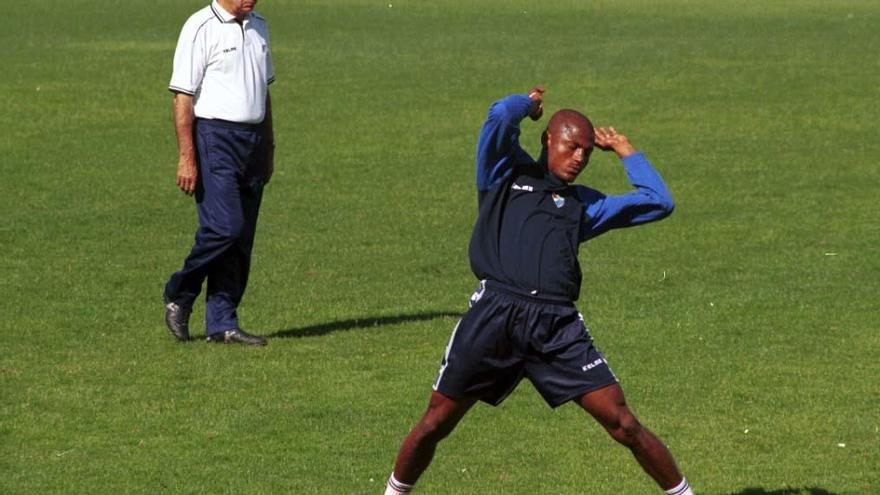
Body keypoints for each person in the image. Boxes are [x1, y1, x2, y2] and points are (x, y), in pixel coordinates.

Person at [384, 87, 694, 495]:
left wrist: (623, 148)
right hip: (495, 316)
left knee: (623, 422)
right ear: (549, 139)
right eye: (572, 146)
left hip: (556, 326)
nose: (580, 157)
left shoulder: (583, 206)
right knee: (436, 422)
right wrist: (526, 106)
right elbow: (498, 117)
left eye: (586, 150)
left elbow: (658, 202)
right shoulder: (503, 174)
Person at [162, 0, 275, 346]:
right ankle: (180, 294)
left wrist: (269, 147)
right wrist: (187, 157)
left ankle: (223, 323)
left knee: (241, 240)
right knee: (225, 226)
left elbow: (264, 92)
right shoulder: (200, 27)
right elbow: (183, 97)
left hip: (253, 140)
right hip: (215, 138)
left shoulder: (259, 26)